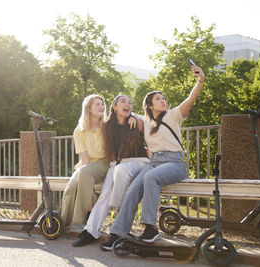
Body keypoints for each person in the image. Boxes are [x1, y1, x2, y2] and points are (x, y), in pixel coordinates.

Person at [101, 65, 205, 250]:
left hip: (175, 163)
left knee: (150, 177)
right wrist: (132, 115)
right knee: (133, 189)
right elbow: (127, 114)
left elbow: (191, 98)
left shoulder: (174, 116)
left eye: (163, 98)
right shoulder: (145, 121)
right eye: (158, 99)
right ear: (149, 105)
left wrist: (200, 80)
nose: (162, 101)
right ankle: (117, 233)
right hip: (154, 162)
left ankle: (150, 227)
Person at [72, 95, 149, 247]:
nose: (127, 104)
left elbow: (148, 119)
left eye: (129, 103)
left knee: (119, 171)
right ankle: (90, 231)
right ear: (114, 107)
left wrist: (134, 115)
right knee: (105, 194)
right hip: (117, 165)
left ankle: (118, 221)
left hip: (139, 163)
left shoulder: (137, 122)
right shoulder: (107, 127)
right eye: (123, 102)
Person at [61, 94, 110, 227]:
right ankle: (64, 224)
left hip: (104, 164)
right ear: (89, 109)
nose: (102, 106)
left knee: (84, 173)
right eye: (97, 104)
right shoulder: (79, 130)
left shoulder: (107, 127)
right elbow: (85, 159)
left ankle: (78, 223)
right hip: (86, 166)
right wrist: (88, 193)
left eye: (102, 104)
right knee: (70, 188)